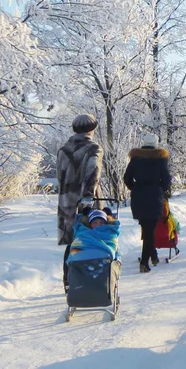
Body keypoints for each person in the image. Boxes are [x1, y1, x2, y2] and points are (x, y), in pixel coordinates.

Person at [57, 114, 103, 293]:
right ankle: (91, 281)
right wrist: (88, 200)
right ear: (92, 130)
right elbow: (93, 175)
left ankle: (69, 281)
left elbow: (61, 178)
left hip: (67, 203)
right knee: (92, 240)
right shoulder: (93, 149)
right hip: (86, 203)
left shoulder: (63, 150)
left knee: (72, 242)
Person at [124, 133, 171, 273]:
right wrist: (159, 189)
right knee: (150, 229)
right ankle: (145, 262)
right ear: (155, 144)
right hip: (154, 196)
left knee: (146, 227)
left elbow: (127, 178)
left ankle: (153, 255)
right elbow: (167, 180)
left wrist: (135, 188)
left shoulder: (135, 159)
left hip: (138, 196)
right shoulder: (160, 160)